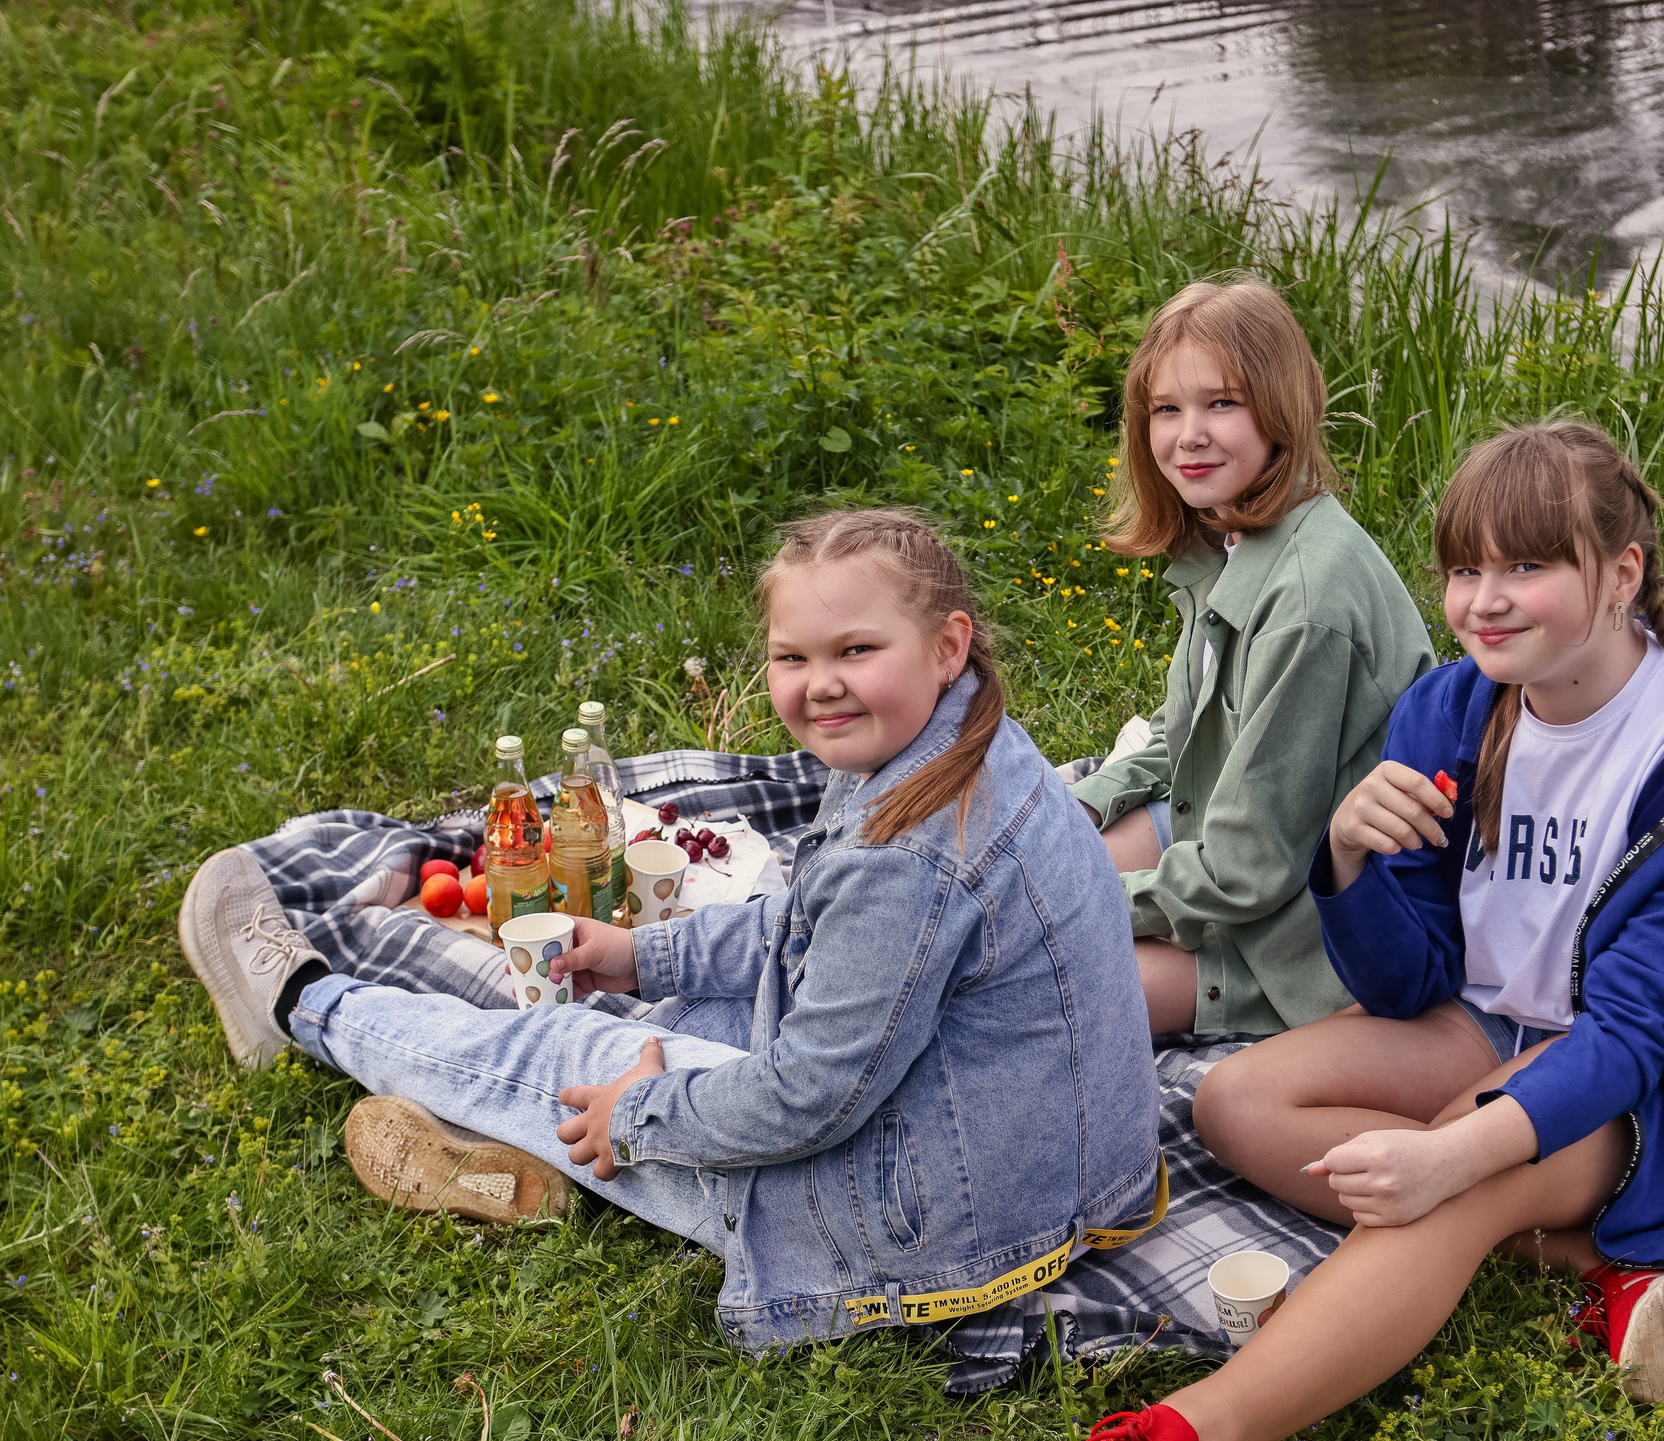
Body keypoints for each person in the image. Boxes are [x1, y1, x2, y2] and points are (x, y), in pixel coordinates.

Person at [989, 420, 1664, 1441]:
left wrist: (1459, 1155)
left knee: (1448, 1181)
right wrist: (1344, 863)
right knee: (1236, 1099)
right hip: (1484, 1026)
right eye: (1464, 570)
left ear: (1623, 572)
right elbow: (1405, 982)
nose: (1485, 603)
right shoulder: (1453, 709)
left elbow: (1642, 1033)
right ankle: (1599, 1257)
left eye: (1527, 568)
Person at [176, 509, 1163, 1347]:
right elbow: (814, 929)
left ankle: (302, 1003)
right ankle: (492, 1147)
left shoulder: (904, 858)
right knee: (682, 1006)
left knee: (570, 1049)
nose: (820, 683)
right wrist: (645, 952)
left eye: (856, 651)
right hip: (1074, 1168)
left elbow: (813, 1098)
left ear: (946, 645)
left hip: (935, 1223)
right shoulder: (979, 743)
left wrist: (643, 1114)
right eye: (793, 657)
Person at [1072, 277, 1433, 1037]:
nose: (1188, 434)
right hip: (1235, 838)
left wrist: (1076, 899)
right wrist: (1080, 804)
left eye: (1222, 404)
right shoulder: (1231, 540)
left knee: (1046, 980)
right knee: (1040, 862)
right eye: (1167, 409)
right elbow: (1184, 735)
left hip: (1297, 936)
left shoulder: (1305, 600)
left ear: (1281, 409)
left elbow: (1251, 870)